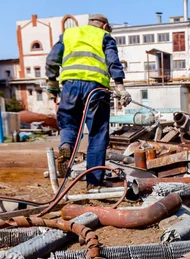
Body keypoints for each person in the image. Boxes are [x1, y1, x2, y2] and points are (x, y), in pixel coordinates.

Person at [45, 14, 131, 188]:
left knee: (68, 122)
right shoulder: (104, 37)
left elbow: (52, 59)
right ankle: (93, 182)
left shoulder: (69, 34)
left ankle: (66, 144)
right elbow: (113, 61)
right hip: (96, 88)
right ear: (105, 26)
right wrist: (120, 86)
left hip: (70, 87)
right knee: (97, 134)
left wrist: (52, 81)